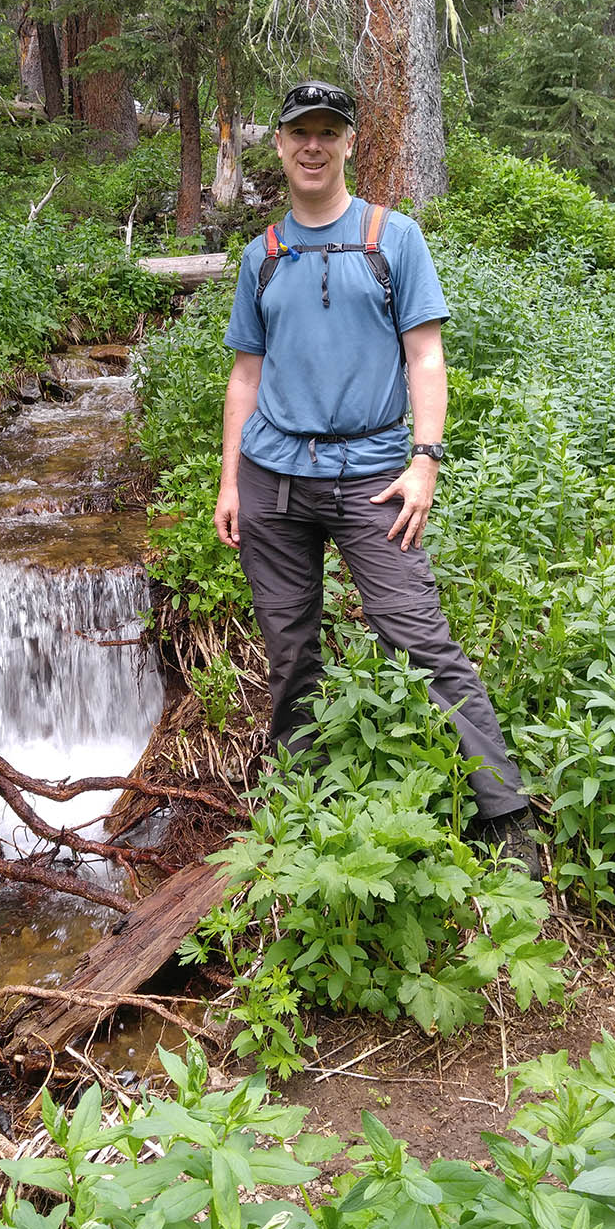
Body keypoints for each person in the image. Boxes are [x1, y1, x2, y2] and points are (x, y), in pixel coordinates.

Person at [214, 78, 537, 867]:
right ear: (281, 146)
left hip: (373, 477)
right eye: (299, 133)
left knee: (416, 636)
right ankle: (299, 794)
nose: (313, 145)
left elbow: (425, 356)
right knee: (290, 647)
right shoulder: (262, 255)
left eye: (329, 130)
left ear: (351, 141)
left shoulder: (395, 239)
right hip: (273, 477)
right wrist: (228, 482)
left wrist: (425, 460)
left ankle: (503, 812)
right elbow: (245, 379)